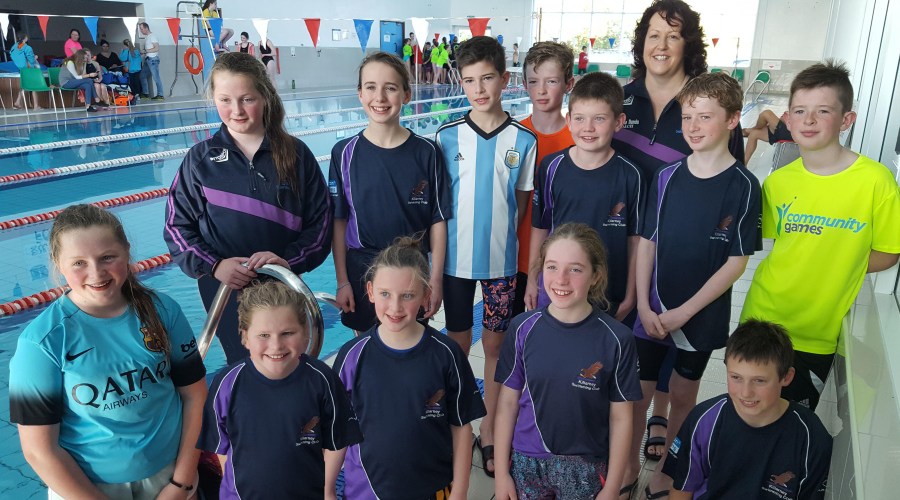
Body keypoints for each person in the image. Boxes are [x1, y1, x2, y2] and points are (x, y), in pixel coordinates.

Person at [611, 0, 745, 471]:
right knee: (635, 357)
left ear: (689, 44)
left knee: (675, 350)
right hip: (624, 246)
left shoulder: (704, 104)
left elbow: (726, 186)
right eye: (653, 34)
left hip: (681, 256)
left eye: (673, 35)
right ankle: (629, 437)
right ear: (641, 42)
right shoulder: (621, 99)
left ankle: (662, 418)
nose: (661, 45)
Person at [9, 204, 207, 499]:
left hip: (171, 475)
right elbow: (40, 451)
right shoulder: (41, 341)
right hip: (84, 488)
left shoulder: (163, 310)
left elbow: (195, 396)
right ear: (58, 263)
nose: (96, 272)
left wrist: (182, 482)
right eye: (79, 263)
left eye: (107, 257)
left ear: (127, 252)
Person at [740, 61, 900, 410]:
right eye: (800, 111)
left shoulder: (876, 181)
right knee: (747, 410)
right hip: (760, 316)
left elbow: (889, 253)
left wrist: (838, 263)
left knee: (791, 421)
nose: (809, 120)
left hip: (816, 333)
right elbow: (780, 245)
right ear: (788, 119)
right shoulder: (779, 181)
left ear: (846, 120)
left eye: (823, 111)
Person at [635, 72, 762, 499]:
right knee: (638, 393)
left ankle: (667, 471)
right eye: (687, 117)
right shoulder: (667, 176)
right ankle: (625, 466)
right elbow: (647, 244)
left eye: (705, 117)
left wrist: (684, 312)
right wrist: (643, 305)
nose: (692, 126)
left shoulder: (744, 186)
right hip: (652, 307)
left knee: (683, 395)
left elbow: (736, 262)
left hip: (701, 314)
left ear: (732, 120)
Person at [164, 52, 332, 364]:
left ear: (265, 97)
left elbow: (321, 223)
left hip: (282, 282)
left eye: (247, 99)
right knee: (241, 363)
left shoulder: (296, 155)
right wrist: (215, 265)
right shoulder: (201, 160)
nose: (237, 110)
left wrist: (288, 260)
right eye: (225, 100)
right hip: (225, 287)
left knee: (286, 359)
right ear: (213, 99)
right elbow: (176, 227)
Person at [435, 35, 538, 479]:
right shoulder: (445, 137)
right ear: (461, 82)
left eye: (488, 78)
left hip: (501, 266)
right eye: (470, 80)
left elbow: (522, 204)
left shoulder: (524, 140)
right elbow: (439, 207)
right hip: (455, 266)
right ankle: (460, 425)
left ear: (505, 79)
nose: (479, 89)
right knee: (458, 347)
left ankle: (492, 430)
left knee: (495, 348)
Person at [493, 222, 642, 500]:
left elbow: (622, 418)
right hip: (527, 460)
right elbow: (507, 404)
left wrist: (612, 486)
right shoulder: (522, 328)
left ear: (595, 276)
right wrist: (502, 474)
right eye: (552, 266)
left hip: (585, 465)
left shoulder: (617, 339)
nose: (561, 279)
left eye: (575, 269)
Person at [329, 237, 486, 499]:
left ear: (426, 295)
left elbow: (461, 428)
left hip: (433, 488)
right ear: (370, 291)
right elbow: (338, 431)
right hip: (366, 491)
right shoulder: (352, 357)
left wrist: (460, 490)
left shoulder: (446, 354)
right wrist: (327, 488)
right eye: (385, 294)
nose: (395, 307)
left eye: (408, 295)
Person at [198, 280, 362, 498]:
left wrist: (328, 489)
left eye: (287, 333)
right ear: (245, 337)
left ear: (305, 332)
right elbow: (222, 448)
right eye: (264, 335)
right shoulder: (227, 384)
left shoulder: (321, 379)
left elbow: (337, 440)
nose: (276, 345)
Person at [329, 52, 450, 334]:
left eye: (390, 88)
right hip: (362, 269)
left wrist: (435, 280)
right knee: (365, 345)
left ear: (406, 95)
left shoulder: (427, 152)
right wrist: (342, 280)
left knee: (410, 346)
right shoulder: (344, 153)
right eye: (371, 87)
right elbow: (339, 221)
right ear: (360, 94)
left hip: (412, 269)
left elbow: (438, 219)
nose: (380, 97)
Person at [663, 320, 832, 499]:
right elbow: (682, 489)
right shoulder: (704, 421)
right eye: (736, 377)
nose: (746, 392)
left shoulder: (811, 437)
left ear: (786, 377)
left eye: (759, 381)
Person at [527, 72, 643, 327]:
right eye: (579, 118)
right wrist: (533, 280)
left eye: (599, 119)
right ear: (569, 120)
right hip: (557, 287)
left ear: (619, 122)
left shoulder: (631, 175)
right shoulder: (552, 167)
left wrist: (631, 294)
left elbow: (635, 241)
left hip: (610, 291)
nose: (588, 128)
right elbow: (540, 227)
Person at [513, 41, 577, 318]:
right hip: (514, 259)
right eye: (533, 81)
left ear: (568, 84)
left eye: (551, 81)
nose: (541, 90)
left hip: (561, 263)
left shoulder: (579, 140)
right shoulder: (513, 135)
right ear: (524, 85)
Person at [11, 34, 43, 110]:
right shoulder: (27, 48)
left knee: (25, 85)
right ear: (25, 38)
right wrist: (35, 57)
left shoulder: (15, 46)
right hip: (29, 68)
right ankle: (36, 106)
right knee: (34, 86)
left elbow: (12, 55)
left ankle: (17, 102)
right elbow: (31, 60)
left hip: (22, 69)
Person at [139, 22, 165, 100]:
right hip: (148, 59)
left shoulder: (152, 36)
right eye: (140, 29)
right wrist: (144, 52)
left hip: (153, 60)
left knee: (156, 77)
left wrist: (146, 51)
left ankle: (160, 95)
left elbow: (156, 48)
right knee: (142, 76)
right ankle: (146, 94)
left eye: (142, 29)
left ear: (146, 28)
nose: (141, 30)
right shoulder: (147, 37)